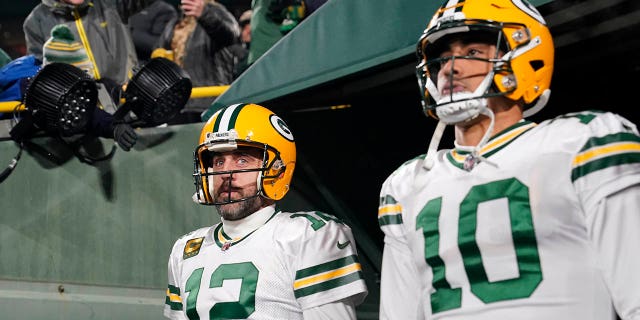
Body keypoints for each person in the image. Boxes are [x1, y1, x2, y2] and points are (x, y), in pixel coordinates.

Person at [377, 0, 640, 319]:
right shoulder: (406, 184)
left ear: (525, 55)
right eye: (441, 59)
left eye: (472, 52)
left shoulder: (582, 142)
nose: (449, 68)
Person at [164, 103, 368, 319]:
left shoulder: (308, 235)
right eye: (218, 161)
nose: (226, 172)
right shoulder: (185, 249)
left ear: (277, 170)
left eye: (242, 160)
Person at [23, 0, 155, 88]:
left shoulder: (111, 3)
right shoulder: (35, 22)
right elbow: (43, 76)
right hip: (82, 111)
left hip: (126, 102)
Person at [154, 0, 240, 114]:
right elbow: (158, 51)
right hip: (179, 104)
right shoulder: (175, 22)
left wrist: (204, 14)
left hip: (207, 102)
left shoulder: (215, 10)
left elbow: (232, 35)